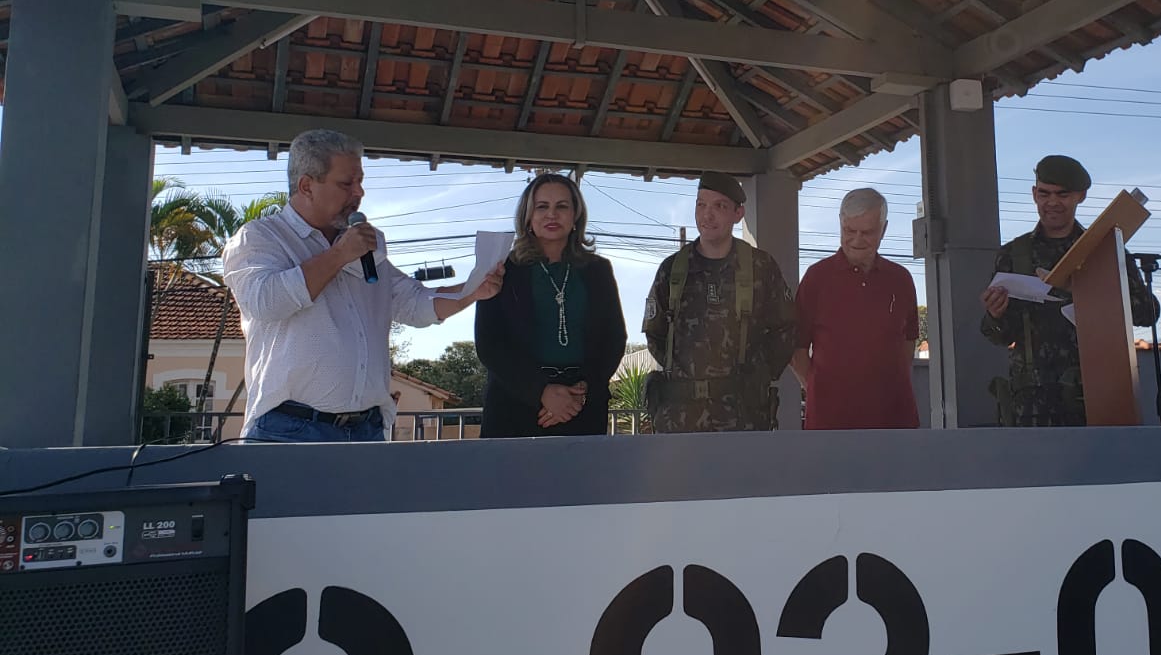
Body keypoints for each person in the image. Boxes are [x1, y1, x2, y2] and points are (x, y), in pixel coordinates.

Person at [222, 129, 503, 442]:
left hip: (366, 430)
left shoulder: (366, 244)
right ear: (306, 186)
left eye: (360, 181)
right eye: (346, 183)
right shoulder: (259, 237)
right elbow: (265, 302)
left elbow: (413, 304)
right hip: (289, 429)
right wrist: (339, 255)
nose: (359, 192)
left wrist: (472, 291)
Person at [980, 155, 1159, 427]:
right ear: (1034, 194)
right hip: (1034, 404)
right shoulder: (1014, 255)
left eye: (1062, 194)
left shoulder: (1104, 249)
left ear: (1080, 196)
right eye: (1044, 194)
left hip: (1098, 394)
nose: (1052, 202)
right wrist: (995, 314)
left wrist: (1084, 289)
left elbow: (1148, 312)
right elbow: (1001, 336)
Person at [474, 173, 627, 437]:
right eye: (542, 206)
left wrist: (581, 392)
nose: (552, 214)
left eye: (562, 206)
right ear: (528, 216)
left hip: (581, 406)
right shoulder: (501, 269)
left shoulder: (598, 270)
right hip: (515, 406)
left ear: (576, 215)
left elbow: (614, 338)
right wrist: (541, 392)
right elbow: (489, 343)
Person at [642, 172, 794, 432]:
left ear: (738, 213)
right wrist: (684, 373)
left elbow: (786, 329)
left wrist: (758, 375)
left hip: (742, 417)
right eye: (701, 205)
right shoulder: (672, 269)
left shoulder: (761, 267)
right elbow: (655, 334)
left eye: (719, 206)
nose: (707, 215)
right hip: (680, 419)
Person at [791, 188, 920, 430]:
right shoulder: (816, 278)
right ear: (840, 224)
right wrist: (820, 390)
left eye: (867, 232)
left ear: (884, 229)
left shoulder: (901, 279)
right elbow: (796, 350)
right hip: (830, 423)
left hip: (895, 421)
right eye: (849, 231)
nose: (857, 240)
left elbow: (908, 342)